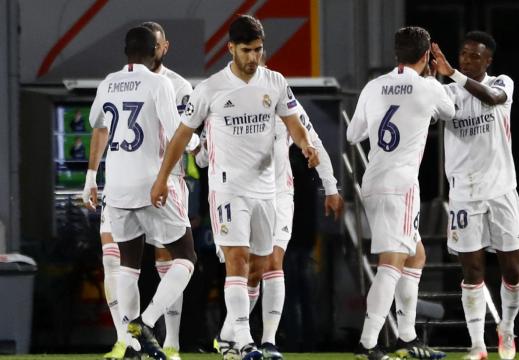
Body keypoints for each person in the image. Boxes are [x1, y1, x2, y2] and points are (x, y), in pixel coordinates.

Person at [149, 14, 319, 360]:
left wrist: (306, 145)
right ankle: (244, 339)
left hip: (266, 191)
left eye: (258, 49)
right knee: (237, 261)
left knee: (260, 267)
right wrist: (162, 177)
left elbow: (294, 123)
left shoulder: (275, 82)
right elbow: (181, 137)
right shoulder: (210, 89)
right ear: (231, 49)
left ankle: (228, 335)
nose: (253, 57)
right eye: (246, 50)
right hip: (228, 190)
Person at [82, 26, 196, 360]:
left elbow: (97, 123)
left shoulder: (108, 83)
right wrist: (198, 143)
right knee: (185, 257)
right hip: (152, 184)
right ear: (155, 50)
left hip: (115, 187)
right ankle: (146, 323)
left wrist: (91, 178)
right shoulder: (159, 82)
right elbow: (178, 133)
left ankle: (131, 344)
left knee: (128, 267)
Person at [202, 104, 344, 359]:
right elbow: (202, 156)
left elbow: (314, 140)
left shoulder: (284, 101)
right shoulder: (227, 99)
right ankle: (230, 336)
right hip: (238, 195)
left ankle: (267, 342)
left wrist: (331, 186)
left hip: (279, 195)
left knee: (272, 263)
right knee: (249, 269)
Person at [347, 26, 454, 360]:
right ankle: (368, 343)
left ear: (396, 54)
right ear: (426, 57)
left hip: (374, 180)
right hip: (402, 182)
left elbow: (353, 135)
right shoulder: (428, 88)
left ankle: (406, 339)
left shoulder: (374, 86)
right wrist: (434, 80)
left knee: (415, 254)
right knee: (391, 263)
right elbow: (451, 113)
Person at [431, 31, 519, 360]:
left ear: (488, 61)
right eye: (463, 54)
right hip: (464, 194)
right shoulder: (447, 93)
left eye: (474, 56)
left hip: (501, 189)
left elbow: (492, 99)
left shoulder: (502, 82)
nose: (467, 60)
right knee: (472, 271)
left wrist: (451, 73)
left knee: (512, 270)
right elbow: (426, 112)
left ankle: (507, 328)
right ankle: (478, 345)